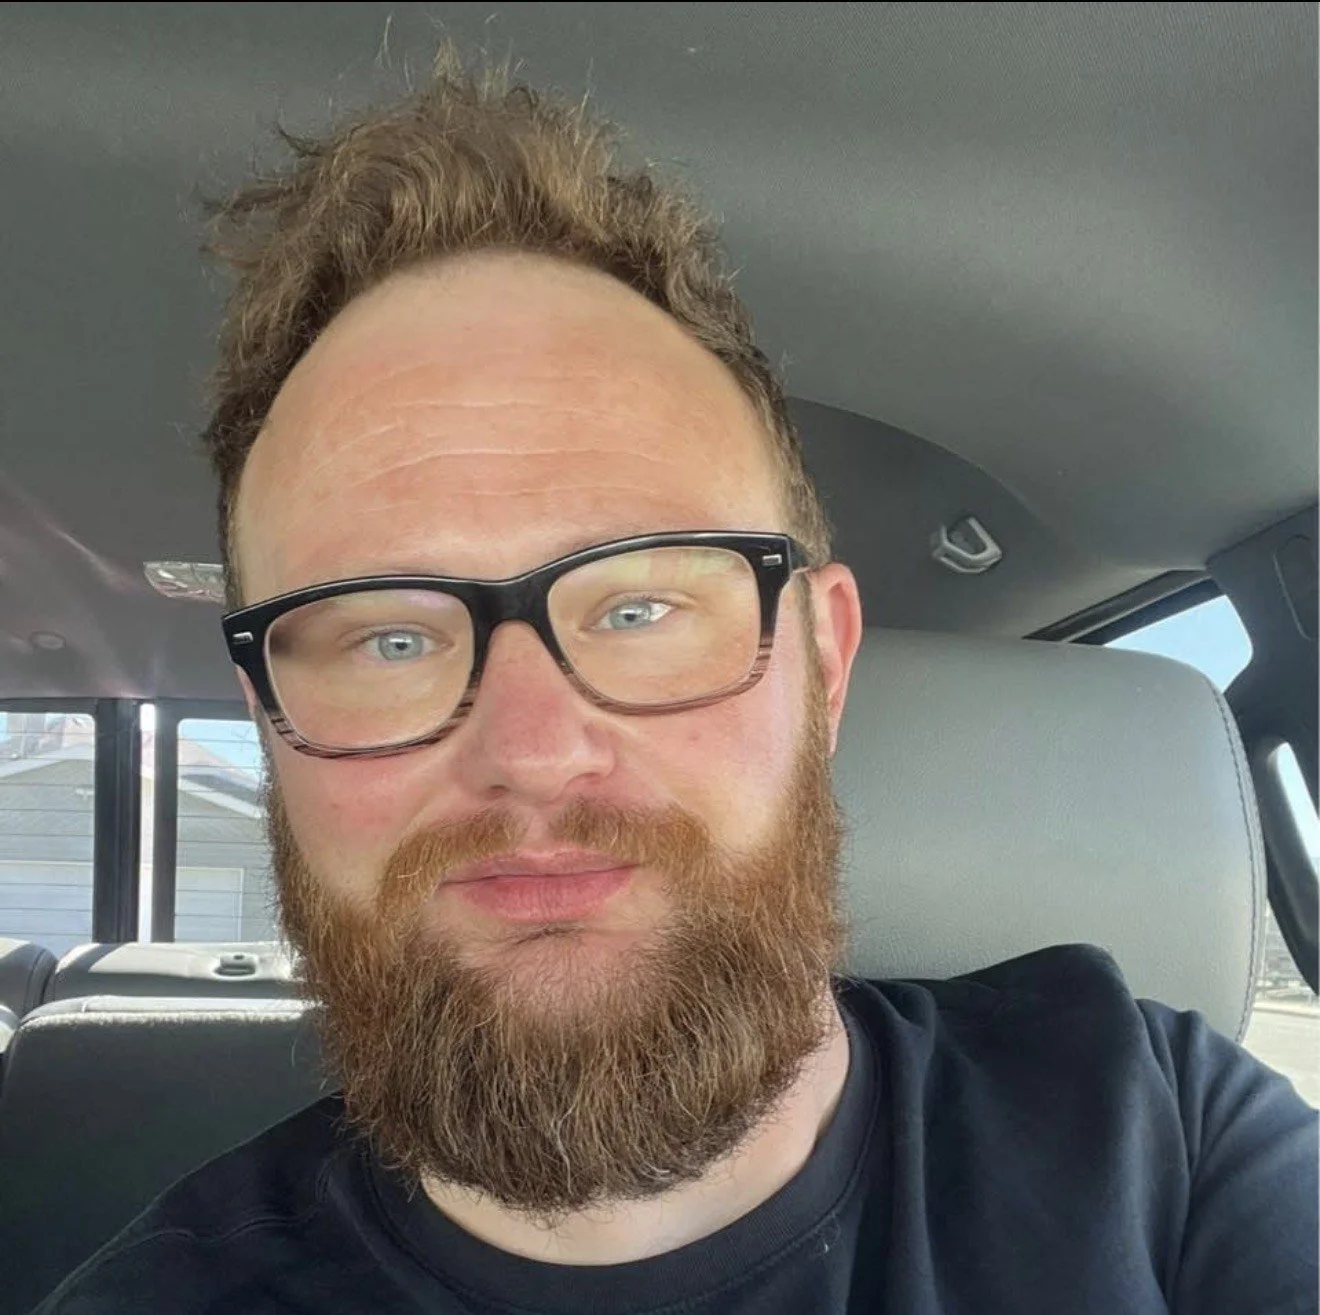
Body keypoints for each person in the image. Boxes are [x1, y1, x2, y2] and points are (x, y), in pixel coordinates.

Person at [34, 47, 1317, 1315]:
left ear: (823, 662)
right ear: (270, 723)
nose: (533, 749)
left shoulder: (1168, 1145)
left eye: (640, 608)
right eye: (390, 638)